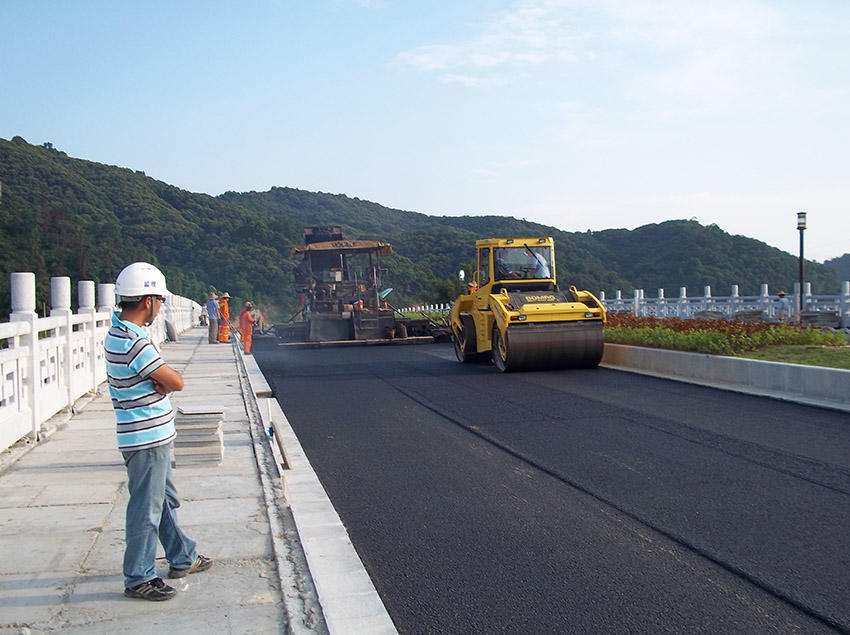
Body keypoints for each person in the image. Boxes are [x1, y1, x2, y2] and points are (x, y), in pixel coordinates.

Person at [105, 262, 212, 601]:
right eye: (159, 301)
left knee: (161, 501)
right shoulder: (136, 343)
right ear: (149, 301)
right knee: (146, 509)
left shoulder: (117, 332)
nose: (161, 307)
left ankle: (182, 556)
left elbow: (160, 381)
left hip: (146, 434)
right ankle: (139, 576)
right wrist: (162, 384)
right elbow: (175, 381)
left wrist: (159, 383)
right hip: (146, 438)